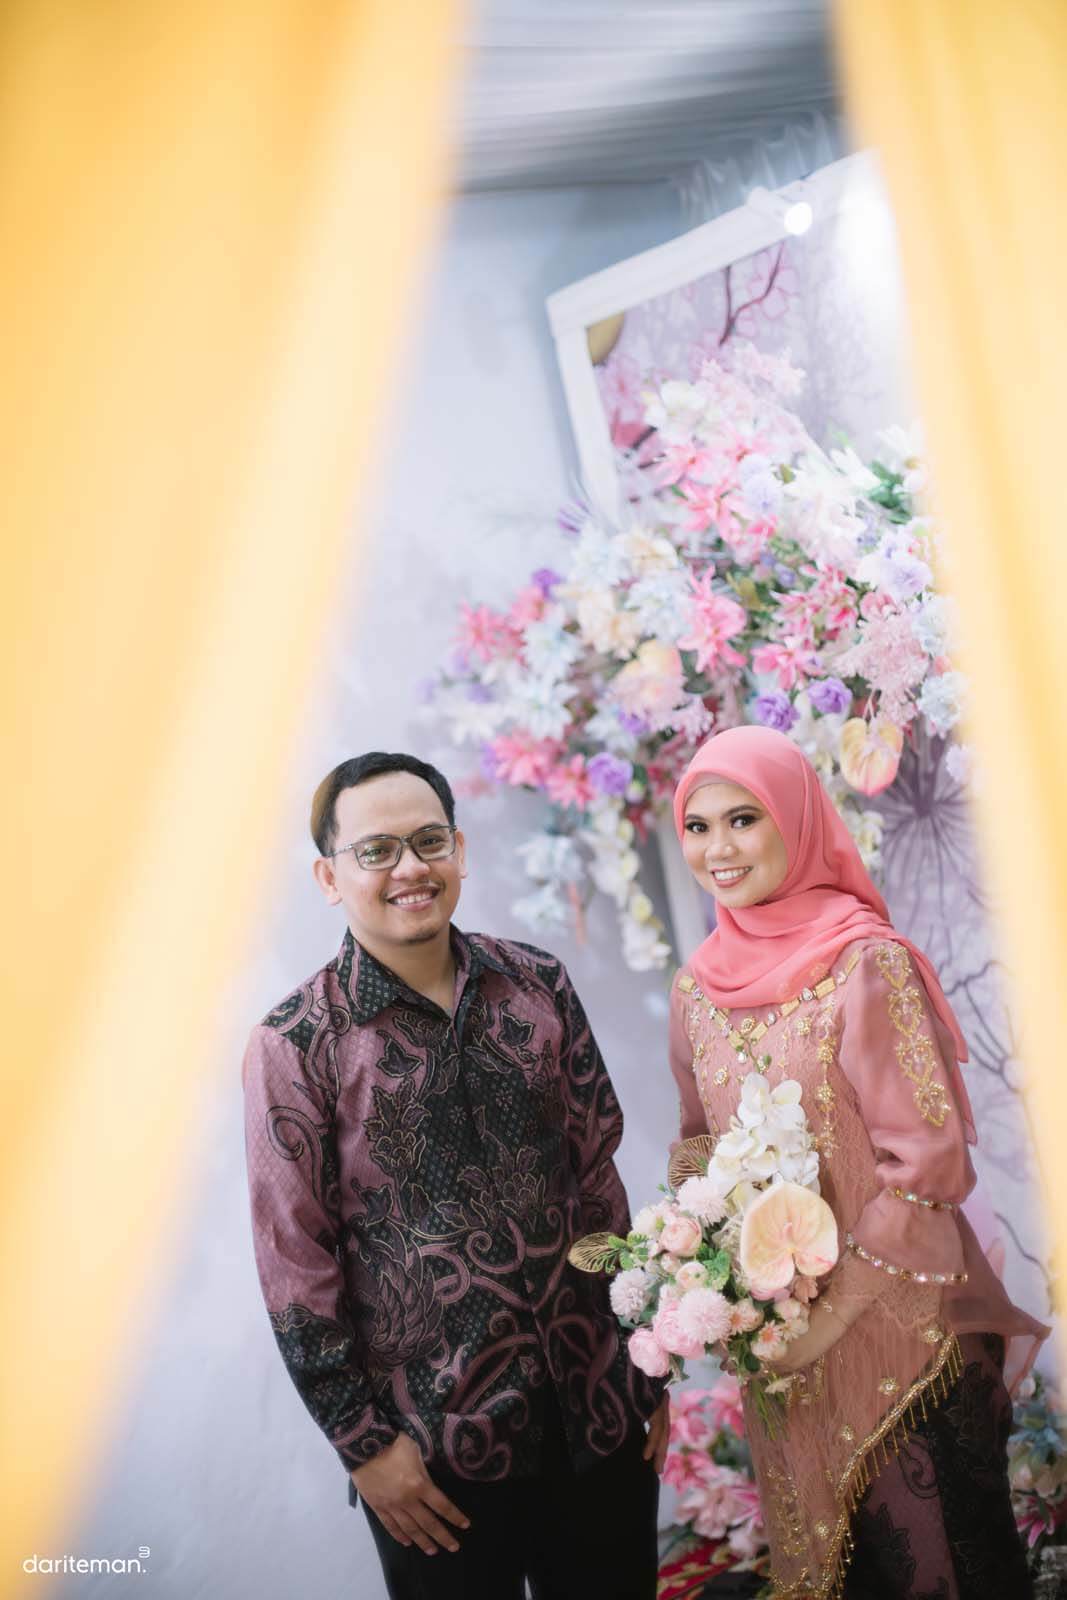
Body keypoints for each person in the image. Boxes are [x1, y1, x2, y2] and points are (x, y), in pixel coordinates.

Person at [242, 751, 668, 1600]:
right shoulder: (296, 1044)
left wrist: (644, 1363)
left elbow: (598, 1181)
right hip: (435, 1453)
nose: (410, 867)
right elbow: (295, 1265)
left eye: (428, 840)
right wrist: (364, 1447)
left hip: (597, 1411)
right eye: (376, 850)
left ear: (459, 850)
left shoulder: (536, 984)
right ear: (329, 877)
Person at [667, 725, 1047, 1600]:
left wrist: (825, 1324)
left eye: (743, 819)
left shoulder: (865, 965)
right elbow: (696, 1147)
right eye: (696, 826)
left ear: (796, 820)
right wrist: (696, 1272)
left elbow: (927, 1169)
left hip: (902, 1341)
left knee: (937, 1571)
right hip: (784, 1354)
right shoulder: (695, 989)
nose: (718, 849)